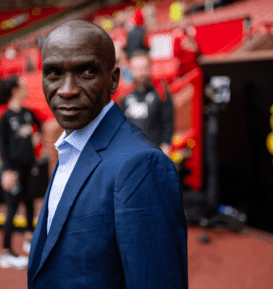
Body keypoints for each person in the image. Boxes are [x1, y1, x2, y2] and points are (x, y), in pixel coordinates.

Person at [28, 19, 187, 289]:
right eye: (54, 73)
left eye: (86, 72)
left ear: (113, 80)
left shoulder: (142, 165)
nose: (67, 90)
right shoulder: (71, 145)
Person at [0, 75, 41, 270]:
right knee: (12, 209)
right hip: (14, 170)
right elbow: (2, 146)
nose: (26, 87)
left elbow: (38, 127)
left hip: (30, 166)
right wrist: (7, 171)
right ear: (14, 90)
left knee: (30, 203)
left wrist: (37, 137)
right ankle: (5, 253)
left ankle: (29, 241)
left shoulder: (28, 113)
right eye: (22, 85)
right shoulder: (4, 117)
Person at [120, 50, 174, 157]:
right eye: (137, 69)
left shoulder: (161, 93)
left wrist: (166, 144)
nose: (141, 73)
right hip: (130, 152)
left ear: (150, 68)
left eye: (144, 68)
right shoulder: (124, 95)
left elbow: (168, 121)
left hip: (155, 151)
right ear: (131, 70)